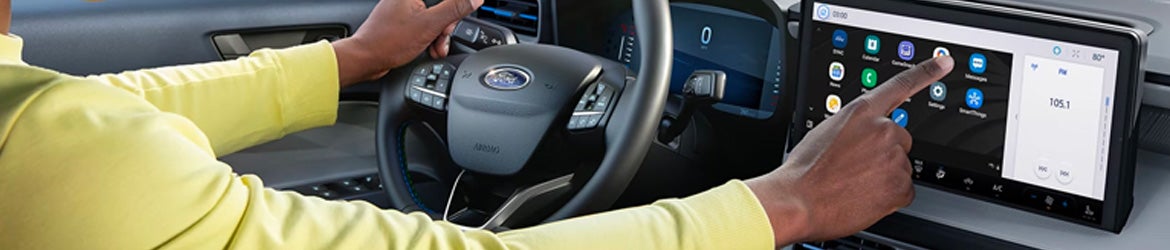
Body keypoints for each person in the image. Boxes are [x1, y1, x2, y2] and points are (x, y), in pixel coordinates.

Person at [0, 0, 954, 249]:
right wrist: (784, 205)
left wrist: (350, 63)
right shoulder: (53, 158)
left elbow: (96, 119)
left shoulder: (42, 129)